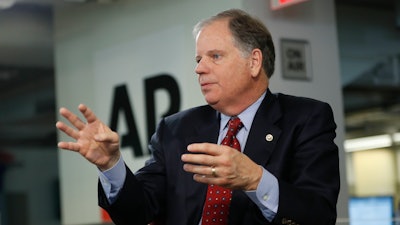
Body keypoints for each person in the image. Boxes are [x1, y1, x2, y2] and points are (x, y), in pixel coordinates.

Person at [56, 8, 340, 225]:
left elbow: (319, 214)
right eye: (197, 60)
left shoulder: (306, 119)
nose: (199, 69)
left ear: (253, 62)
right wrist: (111, 165)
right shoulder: (176, 129)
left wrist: (255, 179)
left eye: (214, 56)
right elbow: (137, 213)